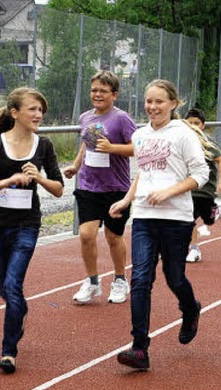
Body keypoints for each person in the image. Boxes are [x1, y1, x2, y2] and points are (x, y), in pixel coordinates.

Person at [109, 79, 209, 370]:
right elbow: (142, 173)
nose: (153, 107)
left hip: (176, 217)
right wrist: (127, 200)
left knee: (174, 277)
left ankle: (190, 308)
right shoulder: (139, 136)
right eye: (149, 101)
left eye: (159, 102)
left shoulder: (183, 134)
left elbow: (200, 174)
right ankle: (139, 347)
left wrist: (169, 191)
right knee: (140, 278)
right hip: (143, 216)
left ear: (173, 104)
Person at [0, 87, 64, 374]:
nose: (38, 114)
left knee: (13, 286)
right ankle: (20, 312)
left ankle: (8, 351)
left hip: (27, 224)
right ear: (15, 113)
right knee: (6, 289)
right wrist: (7, 181)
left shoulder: (44, 145)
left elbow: (60, 189)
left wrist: (39, 177)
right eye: (32, 109)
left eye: (41, 110)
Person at [63, 71, 136, 304]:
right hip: (88, 186)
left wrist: (112, 148)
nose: (97, 94)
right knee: (86, 235)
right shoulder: (85, 117)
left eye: (103, 91)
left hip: (116, 187)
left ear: (114, 94)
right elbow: (87, 145)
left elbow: (137, 148)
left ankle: (120, 280)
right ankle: (93, 282)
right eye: (94, 90)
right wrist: (75, 166)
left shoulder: (121, 119)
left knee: (113, 237)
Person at [184, 108, 221, 263]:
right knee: (187, 220)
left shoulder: (207, 143)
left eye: (196, 123)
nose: (193, 126)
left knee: (208, 220)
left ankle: (217, 210)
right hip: (189, 189)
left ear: (203, 125)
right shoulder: (182, 142)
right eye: (189, 123)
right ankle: (194, 250)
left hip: (206, 190)